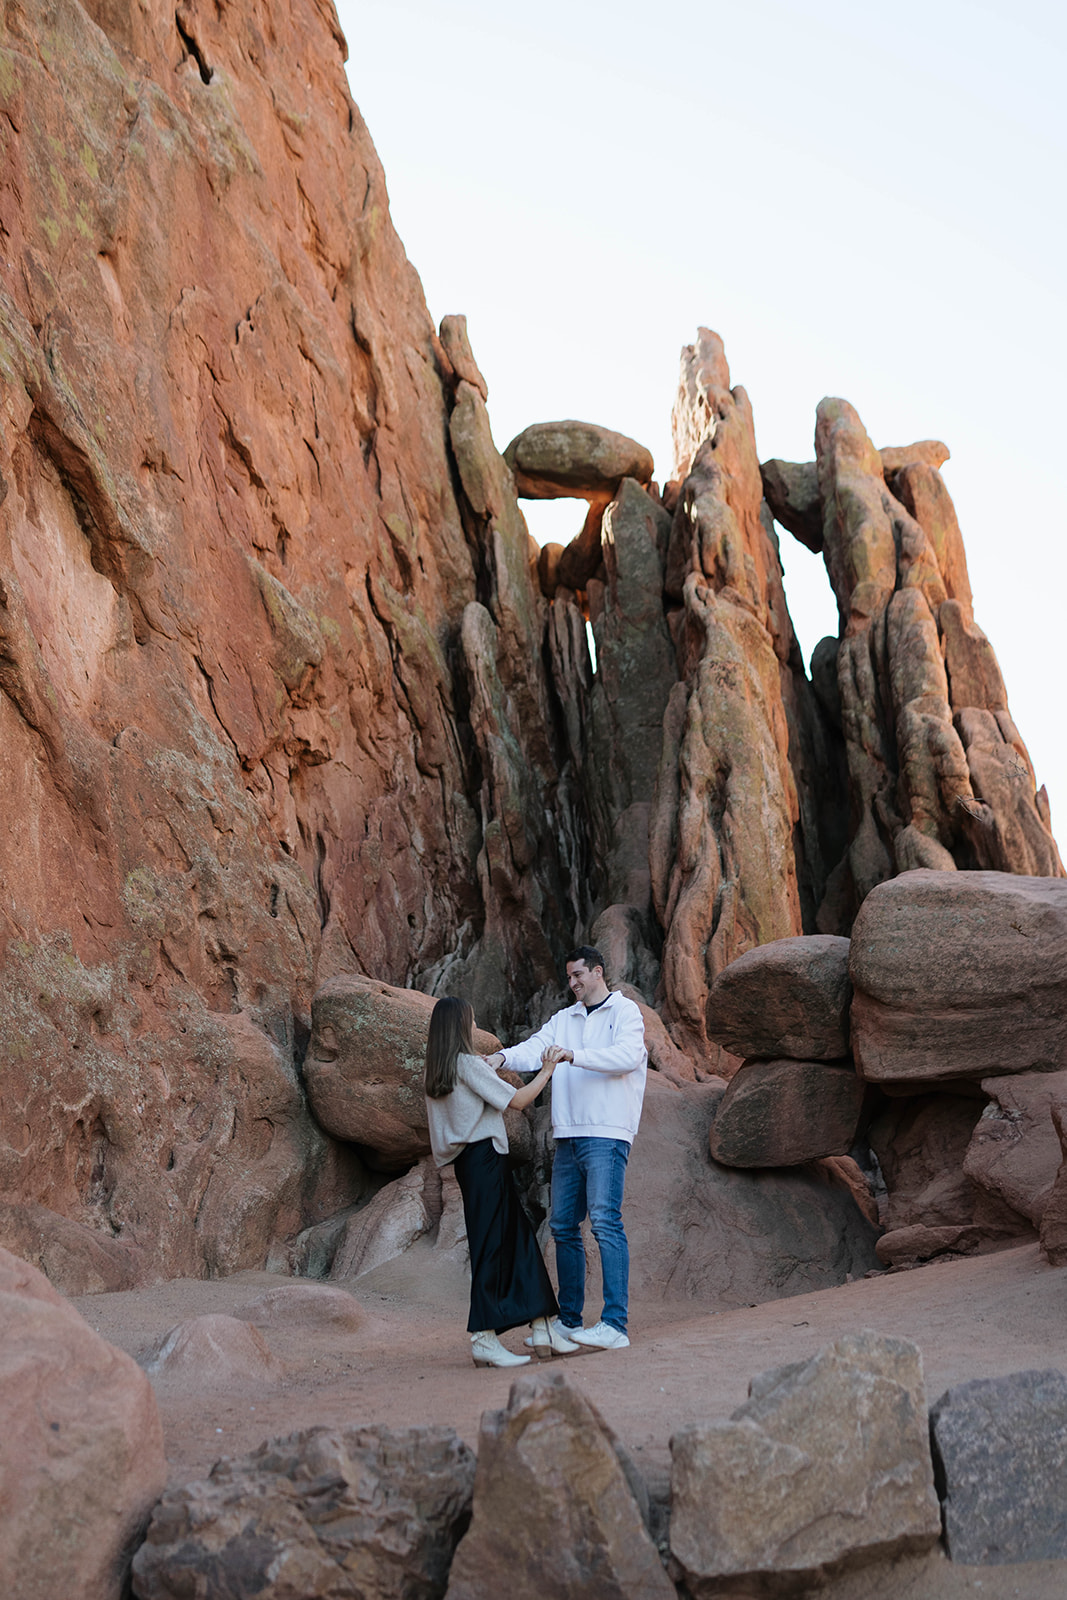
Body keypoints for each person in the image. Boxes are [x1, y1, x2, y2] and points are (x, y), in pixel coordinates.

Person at [486, 946, 647, 1352]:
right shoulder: (565, 1018)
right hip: (568, 1133)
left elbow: (627, 1057)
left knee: (606, 1222)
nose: (573, 983)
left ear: (598, 972)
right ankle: (570, 1322)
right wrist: (502, 1057)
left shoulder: (625, 1013)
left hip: (607, 1132)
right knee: (562, 1227)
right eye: (569, 977)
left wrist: (574, 1055)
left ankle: (614, 1325)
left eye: (579, 975)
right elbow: (534, 1046)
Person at [423, 995, 581, 1369]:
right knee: (492, 1246)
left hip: (468, 1163)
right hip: (485, 1160)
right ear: (460, 1026)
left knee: (517, 1239)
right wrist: (547, 1069)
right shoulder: (466, 1064)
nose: (474, 1027)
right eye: (471, 1021)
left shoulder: (437, 1069)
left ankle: (543, 1328)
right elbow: (520, 1101)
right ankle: (483, 1338)